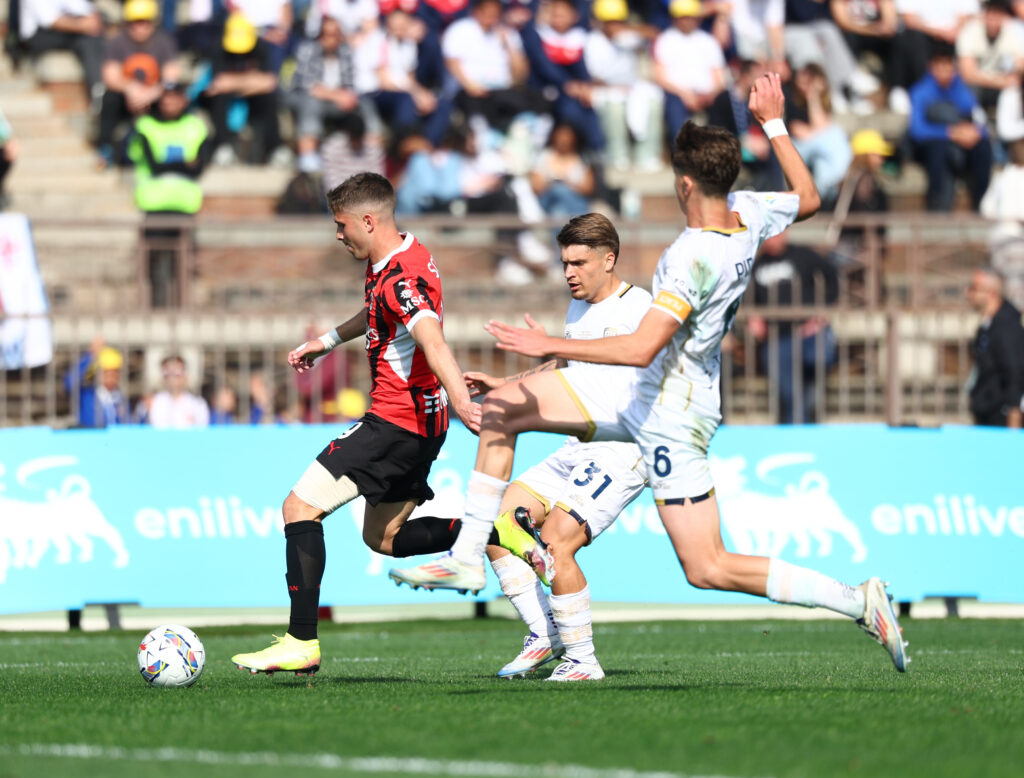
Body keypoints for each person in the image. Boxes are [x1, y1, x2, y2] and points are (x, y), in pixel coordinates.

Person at [393, 73, 910, 674]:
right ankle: (855, 601)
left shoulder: (691, 255)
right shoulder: (747, 212)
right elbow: (811, 199)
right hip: (685, 404)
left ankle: (467, 557)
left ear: (684, 182)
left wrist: (545, 342)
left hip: (659, 408)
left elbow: (640, 349)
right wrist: (774, 123)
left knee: (701, 565)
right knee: (702, 562)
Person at [230, 172, 482, 676]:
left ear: (369, 220)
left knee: (299, 507)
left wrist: (464, 403)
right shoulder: (404, 257)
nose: (338, 235)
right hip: (422, 426)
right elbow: (378, 313)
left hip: (396, 422)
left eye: (342, 225)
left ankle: (302, 640)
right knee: (383, 538)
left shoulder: (400, 278)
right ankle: (497, 534)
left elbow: (431, 339)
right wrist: (325, 341)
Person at [392, 213, 651, 681]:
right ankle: (544, 634)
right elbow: (566, 364)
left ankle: (582, 660)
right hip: (579, 445)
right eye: (564, 263)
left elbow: (634, 353)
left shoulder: (640, 308)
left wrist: (543, 348)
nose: (569, 272)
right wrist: (506, 383)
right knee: (498, 524)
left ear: (609, 259)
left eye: (579, 262)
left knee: (555, 541)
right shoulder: (579, 308)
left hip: (623, 449)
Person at [127, 80, 212, 307]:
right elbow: (155, 166)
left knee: (183, 266)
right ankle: (154, 311)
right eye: (166, 96)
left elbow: (200, 167)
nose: (170, 101)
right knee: (152, 266)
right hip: (154, 205)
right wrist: (186, 164)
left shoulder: (196, 126)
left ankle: (181, 313)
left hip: (185, 205)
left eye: (175, 96)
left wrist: (171, 164)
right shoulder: (145, 125)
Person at [747, 231, 840, 424]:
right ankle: (796, 429)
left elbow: (833, 277)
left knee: (815, 378)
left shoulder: (803, 255)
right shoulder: (758, 264)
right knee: (789, 394)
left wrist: (823, 312)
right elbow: (749, 298)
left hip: (810, 332)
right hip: (778, 337)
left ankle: (809, 423)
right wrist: (753, 318)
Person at [907, 42, 993, 211]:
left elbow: (979, 118)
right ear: (931, 67)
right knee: (939, 149)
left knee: (983, 148)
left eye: (948, 66)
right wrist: (949, 133)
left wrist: (976, 133)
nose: (945, 71)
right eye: (940, 66)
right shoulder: (920, 91)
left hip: (959, 144)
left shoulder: (962, 89)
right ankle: (937, 206)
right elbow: (917, 130)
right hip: (931, 147)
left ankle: (982, 204)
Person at [96, 0, 181, 168]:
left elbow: (172, 76)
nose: (139, 27)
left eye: (144, 22)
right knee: (109, 98)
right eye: (135, 22)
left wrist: (150, 93)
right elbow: (110, 75)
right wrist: (130, 88)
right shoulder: (118, 42)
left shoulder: (164, 42)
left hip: (153, 96)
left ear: (152, 23)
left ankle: (171, 149)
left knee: (173, 99)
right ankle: (105, 149)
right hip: (127, 97)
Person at [202, 11, 288, 166]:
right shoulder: (218, 47)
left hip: (253, 97)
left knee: (269, 98)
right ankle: (223, 146)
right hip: (227, 96)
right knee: (217, 97)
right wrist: (252, 81)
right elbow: (219, 83)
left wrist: (235, 83)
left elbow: (269, 82)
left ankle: (275, 149)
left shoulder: (261, 46)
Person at [652, 0, 727, 140]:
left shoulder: (708, 41)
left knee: (725, 102)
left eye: (690, 16)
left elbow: (719, 77)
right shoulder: (665, 40)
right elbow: (659, 76)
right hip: (677, 95)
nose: (687, 21)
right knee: (674, 108)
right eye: (683, 16)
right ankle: (682, 154)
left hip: (707, 96)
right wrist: (685, 94)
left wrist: (711, 95)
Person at [965, 266, 1024, 427]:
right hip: (986, 414)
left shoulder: (1006, 328)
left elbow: (1015, 373)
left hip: (1000, 419)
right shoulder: (987, 327)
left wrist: (1014, 419)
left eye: (973, 288)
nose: (968, 293)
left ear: (991, 293)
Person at [64, 339, 130, 427]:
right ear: (98, 374)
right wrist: (90, 355)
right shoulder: (87, 396)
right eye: (107, 372)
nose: (111, 377)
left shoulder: (121, 399)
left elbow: (129, 424)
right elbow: (69, 383)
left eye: (115, 372)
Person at [145, 354, 211, 428]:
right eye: (168, 373)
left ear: (186, 376)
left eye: (177, 372)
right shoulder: (153, 402)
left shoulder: (198, 404)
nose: (172, 377)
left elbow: (203, 432)